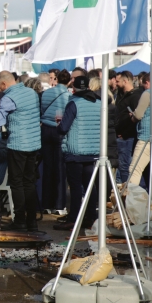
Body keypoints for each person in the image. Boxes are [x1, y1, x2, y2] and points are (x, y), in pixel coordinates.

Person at [0, 71, 42, 231]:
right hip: (34, 143)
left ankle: (19, 221)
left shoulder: (9, 98)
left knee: (17, 184)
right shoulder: (31, 92)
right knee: (29, 183)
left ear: (4, 84)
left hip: (18, 144)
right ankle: (32, 221)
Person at [54, 75, 100, 231]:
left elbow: (64, 128)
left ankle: (74, 219)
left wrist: (58, 125)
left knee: (75, 188)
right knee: (90, 187)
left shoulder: (73, 103)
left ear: (74, 88)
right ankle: (91, 217)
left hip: (75, 151)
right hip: (93, 150)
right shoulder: (99, 103)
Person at [39, 69, 70, 215]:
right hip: (59, 131)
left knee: (48, 168)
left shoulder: (46, 93)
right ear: (69, 81)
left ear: (56, 79)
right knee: (60, 169)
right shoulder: (68, 96)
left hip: (45, 130)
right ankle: (59, 205)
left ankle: (46, 204)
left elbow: (42, 109)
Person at [114, 71, 143, 184]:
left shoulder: (135, 97)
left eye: (118, 81)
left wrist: (125, 134)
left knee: (125, 167)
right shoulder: (121, 95)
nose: (115, 83)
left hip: (128, 138)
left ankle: (127, 193)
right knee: (121, 167)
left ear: (125, 81)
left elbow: (136, 119)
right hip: (121, 135)